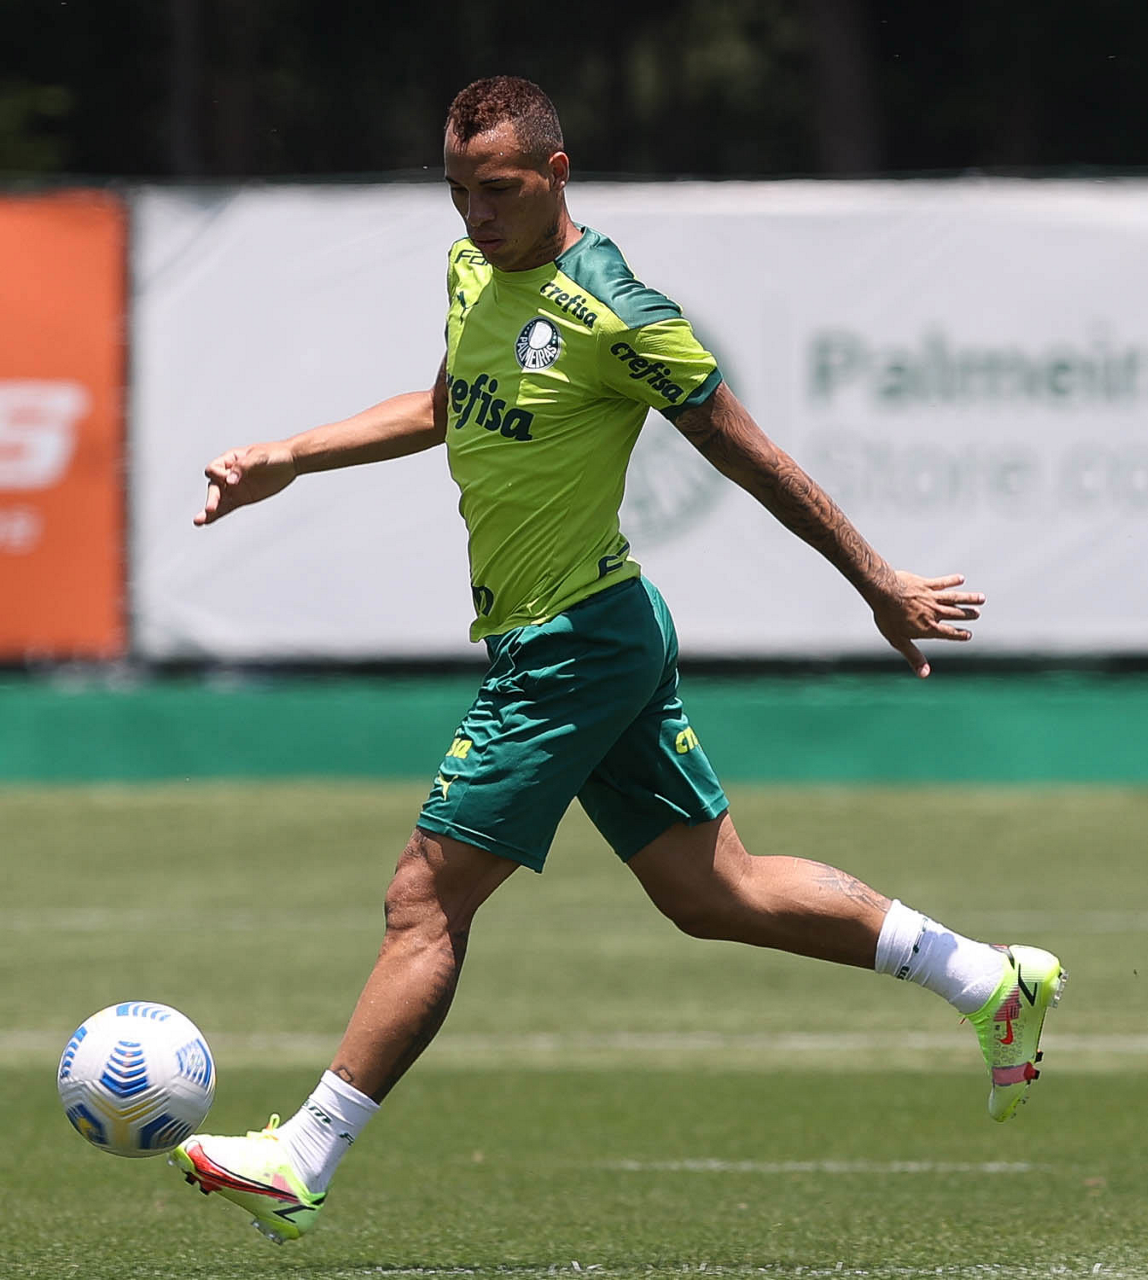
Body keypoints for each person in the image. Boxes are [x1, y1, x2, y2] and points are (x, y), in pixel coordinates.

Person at [172, 76, 1065, 1245]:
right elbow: (448, 402)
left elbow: (750, 454)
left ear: (556, 173)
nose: (475, 214)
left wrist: (875, 581)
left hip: (571, 646)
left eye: (497, 190)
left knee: (423, 898)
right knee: (712, 892)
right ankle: (988, 980)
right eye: (456, 190)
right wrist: (292, 454)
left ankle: (303, 1156)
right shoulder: (471, 268)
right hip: (601, 626)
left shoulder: (617, 311)